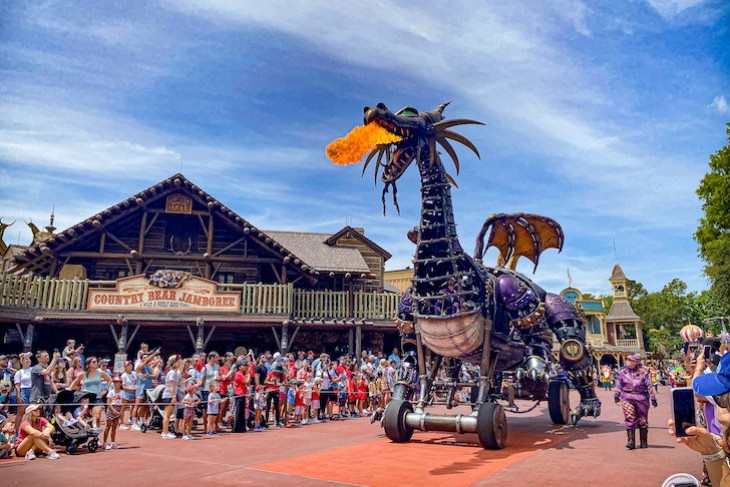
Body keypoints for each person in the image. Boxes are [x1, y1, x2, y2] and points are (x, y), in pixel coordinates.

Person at [615, 353, 657, 449]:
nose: (628, 362)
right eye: (627, 359)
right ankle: (631, 442)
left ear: (637, 362)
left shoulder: (644, 371)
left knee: (643, 420)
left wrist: (653, 398)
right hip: (627, 397)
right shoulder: (623, 372)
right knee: (629, 417)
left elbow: (649, 385)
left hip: (641, 398)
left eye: (631, 360)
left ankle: (643, 442)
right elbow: (619, 385)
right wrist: (616, 395)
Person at [103, 376, 123, 450]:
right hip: (111, 409)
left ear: (120, 383)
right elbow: (108, 402)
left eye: (117, 382)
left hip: (118, 408)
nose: (116, 384)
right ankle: (104, 443)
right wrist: (113, 410)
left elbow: (123, 403)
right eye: (115, 382)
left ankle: (113, 442)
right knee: (108, 426)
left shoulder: (122, 392)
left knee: (114, 427)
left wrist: (121, 412)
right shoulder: (111, 392)